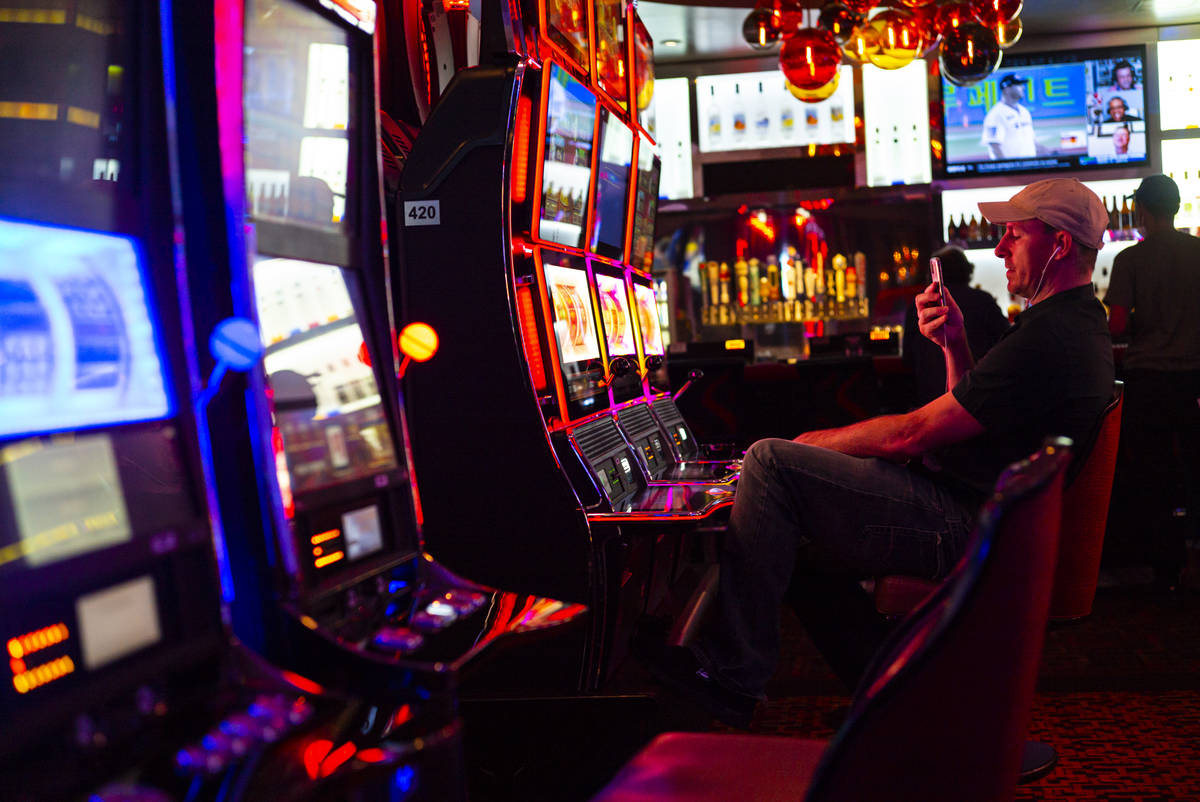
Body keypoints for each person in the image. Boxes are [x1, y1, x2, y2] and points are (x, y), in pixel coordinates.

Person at [650, 178, 1114, 727]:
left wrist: (802, 447)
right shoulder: (1067, 324)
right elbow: (968, 422)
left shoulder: (1052, 335)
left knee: (770, 466)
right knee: (798, 549)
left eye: (1013, 236)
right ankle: (893, 703)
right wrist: (955, 344)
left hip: (973, 528)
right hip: (990, 518)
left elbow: (911, 435)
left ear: (1058, 244)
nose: (998, 249)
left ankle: (731, 678)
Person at [1103, 174, 1200, 591]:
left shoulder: (1130, 260)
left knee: (1154, 472)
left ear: (1141, 210)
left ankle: (1166, 567)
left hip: (1147, 377)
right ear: (1176, 208)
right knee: (1195, 465)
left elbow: (1117, 324)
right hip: (1193, 375)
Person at [904, 246, 1009, 407]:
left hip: (929, 399)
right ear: (967, 271)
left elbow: (908, 358)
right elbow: (1006, 342)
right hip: (976, 399)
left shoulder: (920, 305)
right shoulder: (983, 300)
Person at [981, 74, 1047, 160]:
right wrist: (1005, 167)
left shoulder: (1024, 112)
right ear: (1007, 89)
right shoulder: (995, 114)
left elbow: (1031, 142)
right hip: (1012, 170)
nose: (1023, 88)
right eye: (1018, 85)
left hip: (1030, 166)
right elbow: (994, 146)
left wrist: (1049, 153)